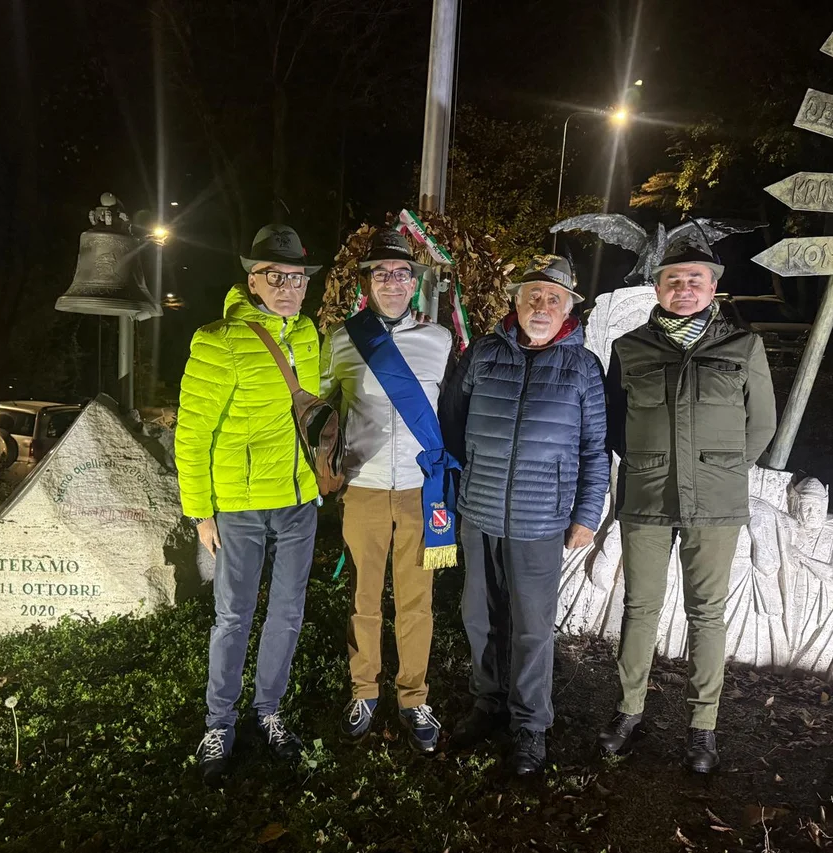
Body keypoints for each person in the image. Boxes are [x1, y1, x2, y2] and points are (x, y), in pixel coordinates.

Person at [597, 244, 776, 773]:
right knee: (639, 607)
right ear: (657, 288)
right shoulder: (629, 347)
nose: (684, 289)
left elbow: (762, 423)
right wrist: (648, 461)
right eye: (673, 280)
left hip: (716, 501)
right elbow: (614, 423)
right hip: (647, 495)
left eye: (695, 279)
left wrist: (720, 468)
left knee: (707, 613)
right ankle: (629, 711)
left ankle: (703, 727)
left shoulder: (743, 345)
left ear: (712, 287)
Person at [439, 254, 608, 775]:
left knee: (533, 628)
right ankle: (488, 702)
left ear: (568, 310)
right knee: (480, 617)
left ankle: (531, 724)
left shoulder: (584, 368)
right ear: (516, 301)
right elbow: (452, 423)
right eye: (533, 294)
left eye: (553, 298)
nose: (541, 304)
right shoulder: (484, 354)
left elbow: (595, 449)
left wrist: (587, 513)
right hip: (480, 512)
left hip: (541, 520)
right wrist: (461, 488)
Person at [175, 224, 323, 784]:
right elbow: (192, 433)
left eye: (297, 278)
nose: (288, 287)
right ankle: (219, 722)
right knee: (233, 615)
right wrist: (200, 512)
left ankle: (269, 710)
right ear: (251, 281)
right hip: (239, 505)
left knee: (287, 612)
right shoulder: (218, 340)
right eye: (275, 277)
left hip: (298, 501)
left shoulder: (308, 335)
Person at [320, 229, 456, 753]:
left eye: (401, 273)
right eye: (382, 273)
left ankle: (413, 696)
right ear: (367, 282)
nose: (393, 282)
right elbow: (320, 413)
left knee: (417, 600)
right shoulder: (342, 341)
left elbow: (452, 412)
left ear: (414, 281)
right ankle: (364, 690)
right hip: (365, 489)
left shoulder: (439, 341)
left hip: (423, 491)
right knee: (364, 597)